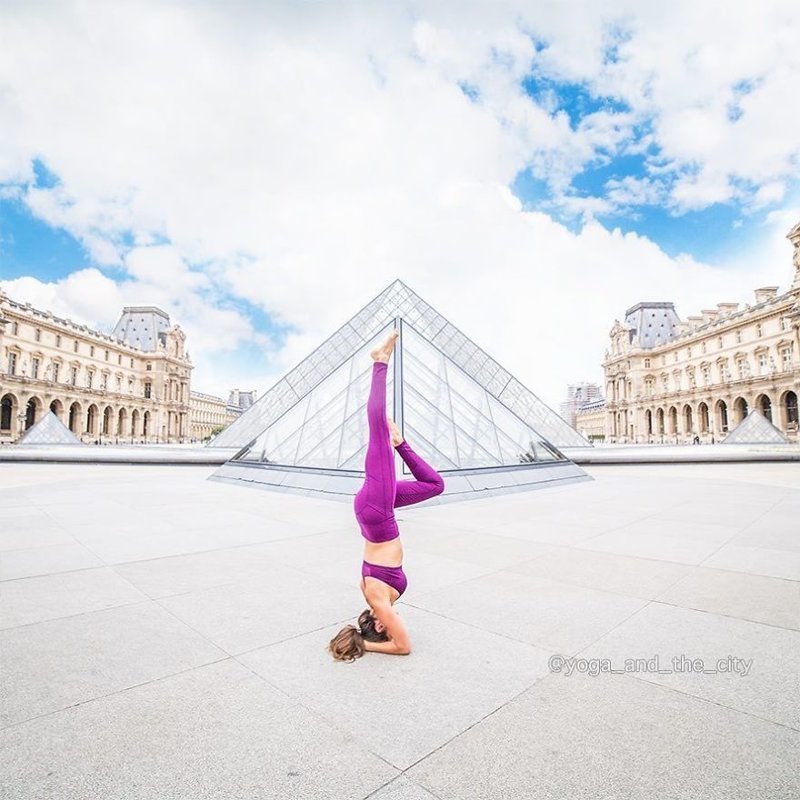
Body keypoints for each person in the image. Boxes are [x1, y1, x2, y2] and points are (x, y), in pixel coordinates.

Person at [328, 329, 445, 661]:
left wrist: (364, 645)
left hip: (377, 514)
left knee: (377, 426)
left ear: (376, 626)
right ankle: (401, 444)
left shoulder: (377, 600)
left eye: (385, 625)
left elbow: (403, 646)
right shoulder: (374, 597)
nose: (390, 622)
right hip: (377, 512)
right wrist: (401, 445)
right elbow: (434, 485)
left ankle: (380, 362)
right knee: (434, 485)